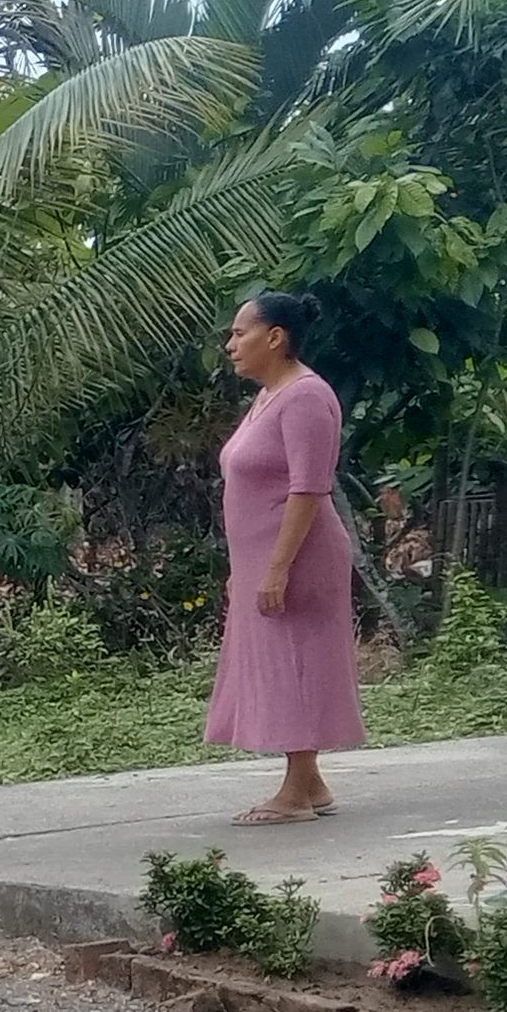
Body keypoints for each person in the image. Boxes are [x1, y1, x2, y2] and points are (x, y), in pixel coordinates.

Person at [207, 289, 362, 823]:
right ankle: (311, 784)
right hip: (263, 558)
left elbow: (308, 488)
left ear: (275, 337)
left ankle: (294, 795)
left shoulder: (306, 397)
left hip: (299, 557)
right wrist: (244, 569)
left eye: (239, 333)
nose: (231, 344)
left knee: (298, 662)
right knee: (278, 664)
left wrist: (277, 567)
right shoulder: (269, 397)